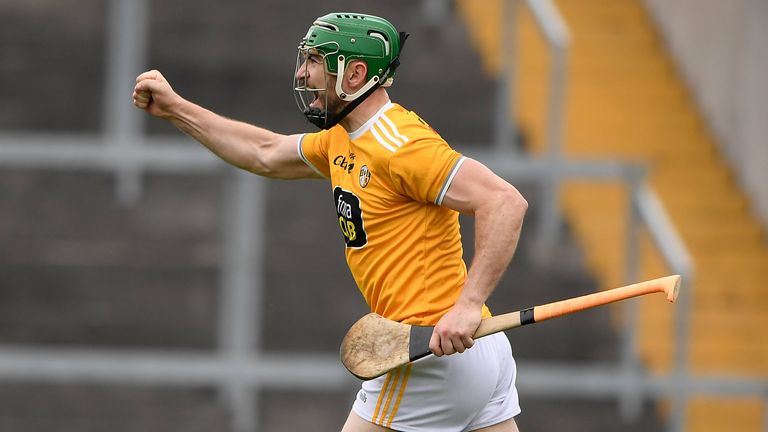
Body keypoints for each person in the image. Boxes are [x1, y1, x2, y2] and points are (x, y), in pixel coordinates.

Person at [133, 12, 528, 432]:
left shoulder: (401, 145)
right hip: (479, 355)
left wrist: (467, 306)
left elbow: (504, 201)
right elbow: (264, 152)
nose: (303, 74)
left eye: (315, 62)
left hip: (429, 353)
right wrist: (177, 110)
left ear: (356, 73)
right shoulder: (344, 137)